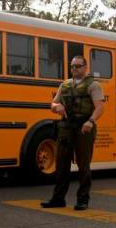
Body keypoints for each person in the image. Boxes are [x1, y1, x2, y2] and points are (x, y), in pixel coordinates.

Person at [41, 55, 105, 211]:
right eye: (72, 66)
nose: (74, 69)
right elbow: (53, 104)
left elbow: (100, 107)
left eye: (78, 66)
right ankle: (58, 199)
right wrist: (57, 107)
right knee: (62, 164)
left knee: (83, 165)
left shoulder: (93, 85)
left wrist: (90, 121)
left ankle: (83, 199)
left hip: (84, 128)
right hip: (66, 128)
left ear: (85, 67)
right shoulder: (64, 85)